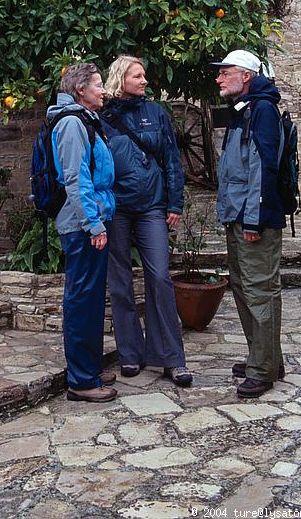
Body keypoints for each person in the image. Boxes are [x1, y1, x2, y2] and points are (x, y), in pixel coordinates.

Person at [100, 55, 192, 387]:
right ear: (120, 78)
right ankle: (130, 354)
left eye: (144, 76)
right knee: (120, 282)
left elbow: (171, 159)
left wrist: (175, 203)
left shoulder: (156, 113)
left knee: (160, 277)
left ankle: (172, 358)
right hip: (117, 210)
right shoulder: (103, 116)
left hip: (152, 207)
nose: (144, 81)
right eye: (137, 76)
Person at [212, 49, 286, 399]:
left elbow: (262, 169)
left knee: (260, 291)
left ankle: (263, 369)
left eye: (225, 72)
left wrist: (254, 219)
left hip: (253, 219)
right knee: (245, 289)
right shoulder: (245, 110)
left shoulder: (263, 111)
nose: (219, 78)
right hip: (238, 216)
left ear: (246, 76)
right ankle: (265, 358)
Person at [47, 63, 117, 403]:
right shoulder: (73, 124)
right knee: (81, 302)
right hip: (81, 227)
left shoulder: (85, 121)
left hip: (89, 223)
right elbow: (76, 180)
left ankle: (89, 368)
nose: (103, 90)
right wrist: (94, 224)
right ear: (80, 90)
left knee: (90, 301)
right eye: (98, 85)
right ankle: (81, 380)